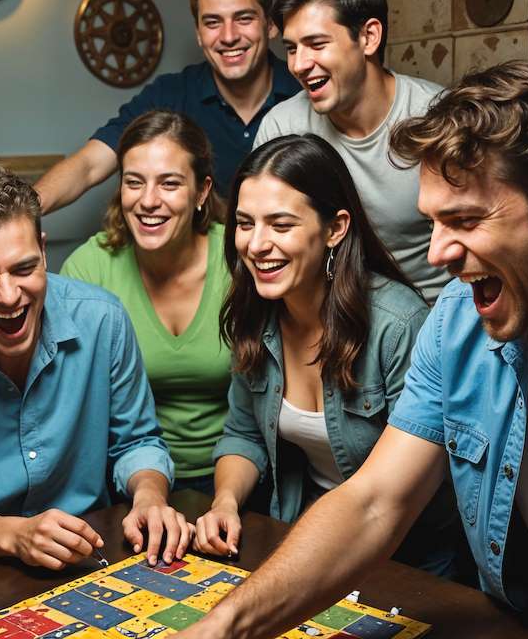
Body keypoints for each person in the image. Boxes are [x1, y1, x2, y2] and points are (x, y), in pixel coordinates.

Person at [173, 60, 528, 639]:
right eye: (432, 221)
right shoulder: (458, 318)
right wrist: (223, 628)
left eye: (465, 220)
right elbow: (374, 503)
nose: (437, 254)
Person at [0, 165, 191, 571]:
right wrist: (12, 534)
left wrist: (150, 495)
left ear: (43, 251)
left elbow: (136, 442)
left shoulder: (103, 319)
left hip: (95, 549)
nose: (8, 296)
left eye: (24, 268)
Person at [193, 133, 462, 577]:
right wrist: (225, 504)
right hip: (305, 540)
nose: (256, 245)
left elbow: (405, 492)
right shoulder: (255, 315)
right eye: (245, 223)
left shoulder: (399, 326)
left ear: (335, 228)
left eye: (280, 225)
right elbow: (244, 435)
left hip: (407, 563)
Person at [35, 0, 300, 211]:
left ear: (270, 26)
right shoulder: (171, 94)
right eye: (212, 22)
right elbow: (90, 164)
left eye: (244, 19)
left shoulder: (305, 89)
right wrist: (21, 213)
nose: (228, 36)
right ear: (198, 34)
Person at [254, 0, 450, 303]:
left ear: (368, 37)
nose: (299, 64)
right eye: (291, 48)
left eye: (316, 44)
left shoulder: (437, 118)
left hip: (430, 318)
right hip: (331, 317)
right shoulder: (282, 127)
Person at [61, 111, 231, 494]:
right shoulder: (88, 270)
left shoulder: (238, 259)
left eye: (169, 183)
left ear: (202, 192)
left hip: (236, 475)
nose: (148, 201)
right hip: (125, 479)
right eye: (134, 183)